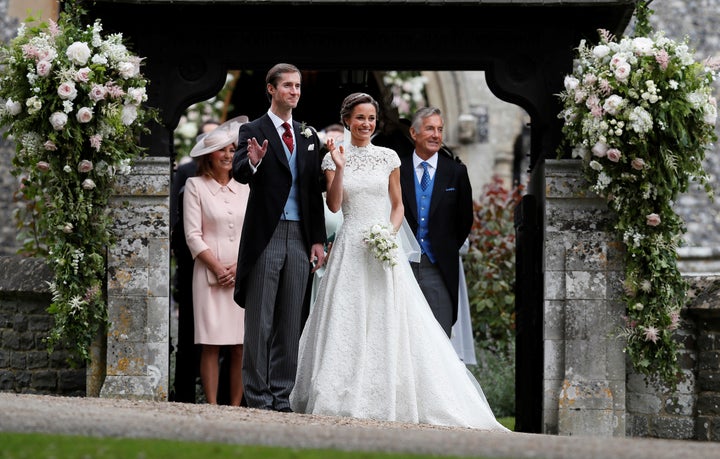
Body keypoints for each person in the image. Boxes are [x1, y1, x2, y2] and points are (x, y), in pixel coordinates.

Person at [289, 92, 508, 431]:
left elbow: (398, 206)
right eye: (360, 118)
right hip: (350, 246)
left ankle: (391, 393)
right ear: (347, 120)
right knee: (347, 318)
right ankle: (339, 395)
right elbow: (333, 206)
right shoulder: (333, 158)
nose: (366, 124)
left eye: (371, 118)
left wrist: (388, 235)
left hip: (381, 246)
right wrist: (341, 167)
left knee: (388, 318)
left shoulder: (390, 157)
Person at [232, 63, 327, 412]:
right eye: (287, 85)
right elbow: (239, 173)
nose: (294, 91)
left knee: (291, 320)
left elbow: (312, 191)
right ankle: (257, 398)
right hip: (267, 235)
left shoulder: (308, 135)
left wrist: (318, 240)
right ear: (270, 89)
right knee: (260, 320)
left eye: (298, 86)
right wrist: (253, 162)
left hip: (301, 236)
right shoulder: (251, 130)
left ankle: (281, 395)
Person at [184, 117, 250, 406]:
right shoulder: (195, 185)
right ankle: (211, 405)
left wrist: (237, 268)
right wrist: (218, 267)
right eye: (221, 150)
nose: (227, 155)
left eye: (233, 149)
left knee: (240, 345)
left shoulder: (247, 187)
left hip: (241, 274)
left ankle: (235, 407)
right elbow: (192, 235)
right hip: (209, 275)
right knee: (210, 344)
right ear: (207, 155)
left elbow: (253, 232)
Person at [399, 107, 474, 337]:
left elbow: (465, 219)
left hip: (438, 267)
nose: (436, 135)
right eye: (430, 128)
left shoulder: (456, 172)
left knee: (439, 337)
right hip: (402, 266)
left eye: (440, 130)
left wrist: (444, 247)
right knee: (403, 335)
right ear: (414, 132)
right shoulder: (395, 170)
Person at [170, 119, 219, 403]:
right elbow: (179, 218)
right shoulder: (188, 174)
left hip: (225, 263)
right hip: (192, 262)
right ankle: (185, 391)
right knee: (189, 332)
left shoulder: (234, 175)